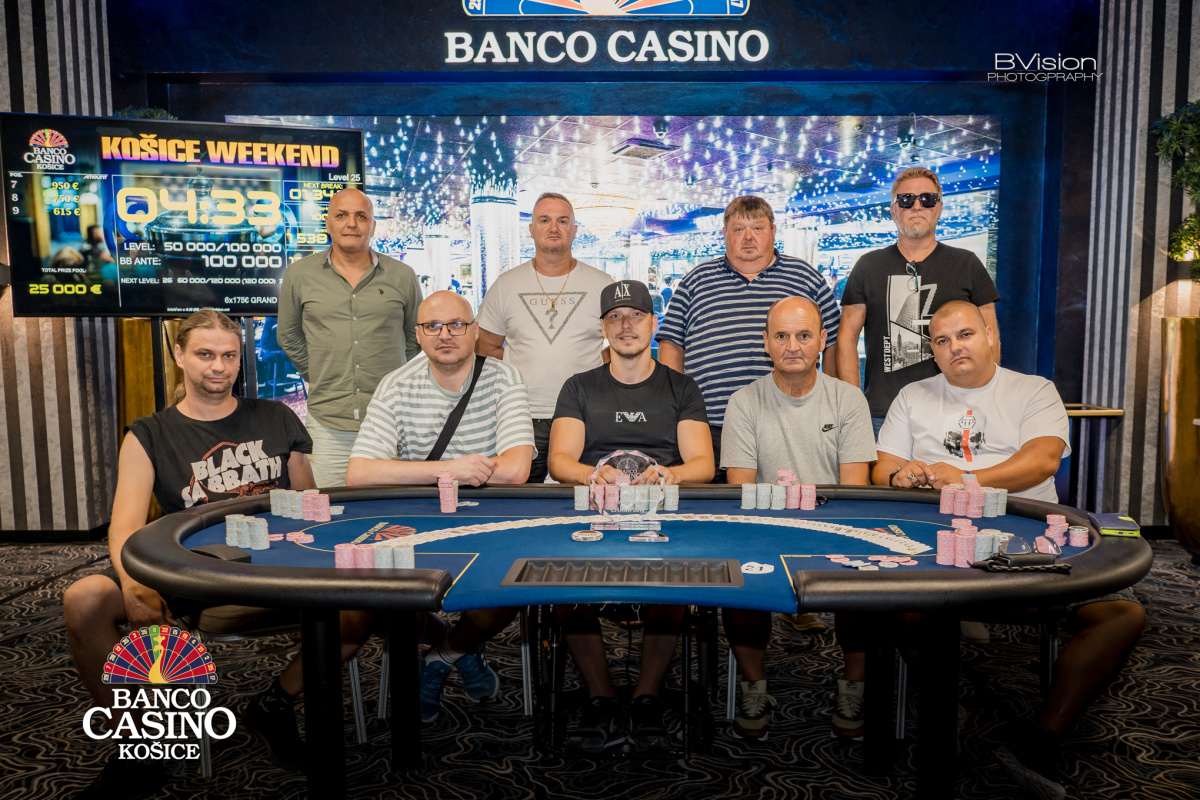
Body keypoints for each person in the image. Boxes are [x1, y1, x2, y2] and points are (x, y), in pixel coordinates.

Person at [874, 301, 1145, 798]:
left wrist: (965, 477)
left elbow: (1042, 462)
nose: (955, 347)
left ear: (989, 336)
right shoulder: (913, 395)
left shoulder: (1033, 389)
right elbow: (883, 467)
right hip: (937, 548)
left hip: (1032, 552)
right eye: (942, 340)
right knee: (895, 607)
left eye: (965, 334)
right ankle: (946, 709)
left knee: (1121, 615)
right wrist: (900, 474)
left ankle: (1040, 739)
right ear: (932, 351)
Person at [62, 310, 323, 797]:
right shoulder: (149, 434)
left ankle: (275, 702)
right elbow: (125, 527)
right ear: (179, 355)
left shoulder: (277, 416)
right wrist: (135, 588)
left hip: (281, 570)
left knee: (367, 601)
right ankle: (142, 744)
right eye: (205, 354)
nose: (219, 367)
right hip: (194, 578)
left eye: (229, 356)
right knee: (85, 597)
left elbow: (309, 504)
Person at [346, 290, 534, 721]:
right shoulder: (396, 384)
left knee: (512, 586)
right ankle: (460, 648)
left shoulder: (504, 377)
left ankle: (443, 654)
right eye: (432, 326)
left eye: (456, 325)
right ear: (417, 334)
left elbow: (515, 470)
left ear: (474, 331)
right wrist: (451, 469)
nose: (444, 334)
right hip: (420, 521)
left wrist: (415, 472)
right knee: (381, 598)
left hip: (493, 520)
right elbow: (360, 473)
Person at [548, 279, 714, 753]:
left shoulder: (681, 386)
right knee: (560, 582)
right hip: (594, 515)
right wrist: (591, 473)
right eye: (615, 317)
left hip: (662, 517)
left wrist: (669, 475)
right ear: (602, 327)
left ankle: (646, 696)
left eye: (636, 315)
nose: (626, 325)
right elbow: (559, 461)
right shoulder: (579, 386)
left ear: (653, 323)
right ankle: (600, 696)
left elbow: (703, 465)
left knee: (676, 580)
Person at [719, 296, 876, 740]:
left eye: (804, 335)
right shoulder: (743, 402)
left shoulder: (849, 400)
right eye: (782, 336)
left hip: (836, 530)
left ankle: (854, 686)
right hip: (764, 532)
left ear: (822, 340)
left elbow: (854, 493)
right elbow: (742, 491)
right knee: (736, 578)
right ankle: (753, 685)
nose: (793, 346)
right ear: (766, 342)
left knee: (869, 584)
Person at [656, 195, 841, 482]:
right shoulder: (695, 281)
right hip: (709, 427)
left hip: (790, 422)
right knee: (714, 506)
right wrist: (677, 408)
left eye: (757, 228)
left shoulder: (806, 277)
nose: (748, 237)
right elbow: (671, 345)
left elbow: (833, 343)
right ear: (724, 234)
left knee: (788, 500)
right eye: (738, 229)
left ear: (773, 232)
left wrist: (830, 403)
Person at [838, 167, 1002, 438]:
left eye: (927, 199)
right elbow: (846, 338)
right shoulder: (868, 266)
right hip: (882, 414)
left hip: (955, 410)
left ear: (939, 208)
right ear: (893, 210)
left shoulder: (967, 264)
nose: (916, 206)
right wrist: (853, 405)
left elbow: (989, 336)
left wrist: (984, 398)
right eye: (906, 200)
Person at [277, 188, 423, 488]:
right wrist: (318, 371)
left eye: (361, 216)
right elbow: (288, 335)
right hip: (328, 424)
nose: (351, 223)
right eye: (341, 215)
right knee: (327, 508)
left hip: (391, 422)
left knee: (397, 509)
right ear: (328, 224)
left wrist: (392, 372)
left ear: (373, 226)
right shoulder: (299, 275)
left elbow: (415, 335)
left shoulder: (403, 275)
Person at [476, 192, 613, 483]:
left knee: (588, 494)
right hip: (522, 415)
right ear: (531, 229)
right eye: (544, 220)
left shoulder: (602, 284)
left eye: (563, 221)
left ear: (574, 230)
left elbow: (622, 344)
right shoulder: (506, 284)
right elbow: (484, 346)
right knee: (522, 497)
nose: (554, 228)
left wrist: (595, 366)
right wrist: (518, 364)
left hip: (586, 414)